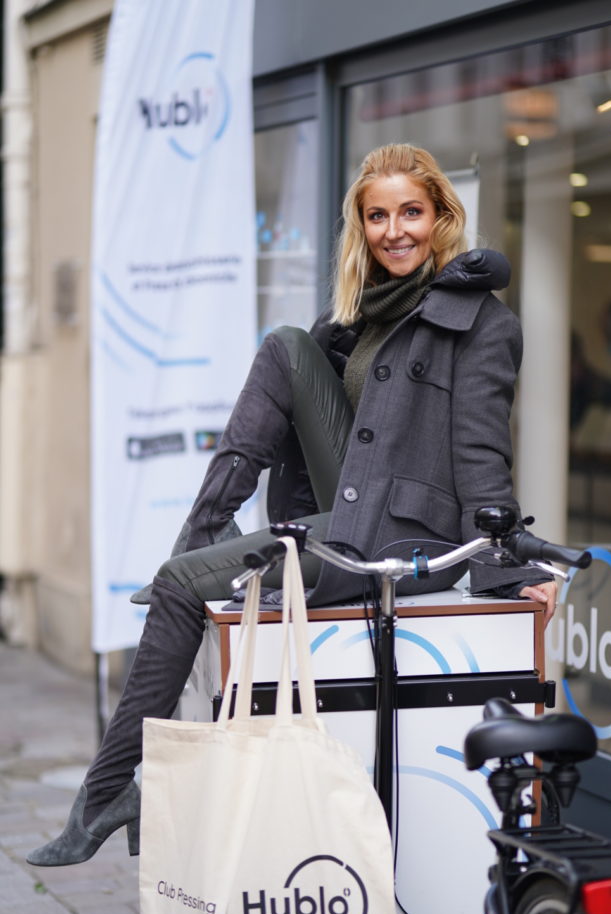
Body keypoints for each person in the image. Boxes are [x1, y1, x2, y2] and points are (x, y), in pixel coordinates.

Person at [27, 143, 556, 868]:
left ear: (441, 217)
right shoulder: (350, 321)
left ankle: (108, 790)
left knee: (183, 584)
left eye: (411, 212)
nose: (394, 229)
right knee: (284, 344)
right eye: (377, 215)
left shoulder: (483, 325)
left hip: (403, 540)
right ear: (360, 227)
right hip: (347, 512)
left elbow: (480, 453)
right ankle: (127, 767)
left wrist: (500, 564)